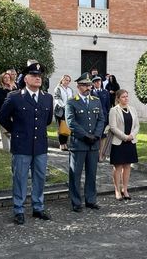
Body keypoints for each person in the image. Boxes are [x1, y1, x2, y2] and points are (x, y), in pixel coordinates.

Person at [0, 62, 54, 225]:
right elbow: (2, 117)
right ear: (26, 78)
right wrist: (15, 131)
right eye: (34, 76)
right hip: (21, 145)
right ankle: (19, 209)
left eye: (40, 76)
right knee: (20, 178)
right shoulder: (15, 97)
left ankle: (38, 207)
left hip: (40, 147)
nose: (38, 78)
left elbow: (48, 120)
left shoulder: (47, 98)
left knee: (40, 177)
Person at [65, 74, 105, 212]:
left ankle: (91, 200)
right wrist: (86, 135)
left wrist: (96, 135)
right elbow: (71, 122)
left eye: (89, 85)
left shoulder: (96, 101)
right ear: (78, 87)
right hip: (79, 144)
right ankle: (76, 202)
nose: (88, 88)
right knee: (75, 174)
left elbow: (101, 119)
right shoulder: (71, 102)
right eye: (85, 85)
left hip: (93, 144)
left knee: (92, 173)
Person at [108, 89, 140, 201]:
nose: (126, 98)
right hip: (119, 142)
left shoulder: (133, 109)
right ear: (118, 98)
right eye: (123, 97)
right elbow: (113, 127)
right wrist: (124, 137)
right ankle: (117, 190)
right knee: (118, 167)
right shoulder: (114, 110)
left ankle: (125, 189)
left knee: (127, 166)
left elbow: (137, 125)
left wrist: (131, 135)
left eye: (127, 96)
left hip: (130, 142)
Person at [0, 72, 16, 150]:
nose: (7, 79)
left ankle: (14, 147)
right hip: (3, 112)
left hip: (15, 113)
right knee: (5, 132)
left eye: (8, 77)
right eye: (5, 78)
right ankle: (6, 149)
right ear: (2, 80)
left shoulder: (15, 89)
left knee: (14, 131)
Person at [53, 75, 74, 151]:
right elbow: (57, 99)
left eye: (68, 80)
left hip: (68, 111)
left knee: (66, 127)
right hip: (60, 111)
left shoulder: (70, 89)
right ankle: (62, 144)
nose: (67, 82)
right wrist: (64, 106)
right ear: (62, 80)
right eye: (65, 80)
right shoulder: (58, 88)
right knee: (61, 127)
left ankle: (65, 143)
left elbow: (72, 99)